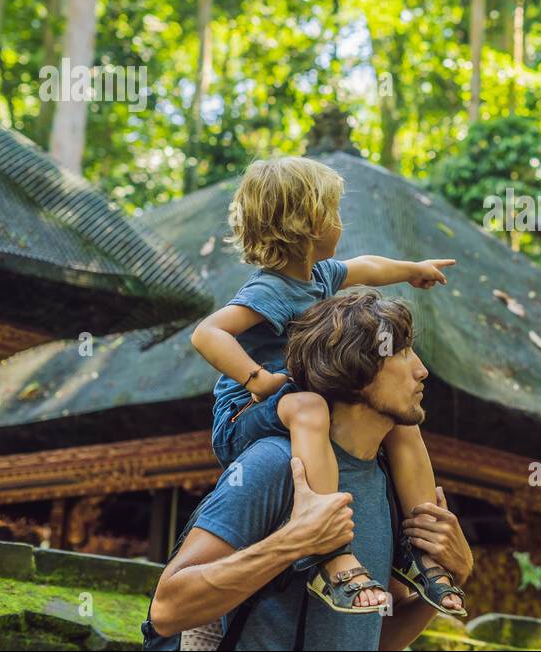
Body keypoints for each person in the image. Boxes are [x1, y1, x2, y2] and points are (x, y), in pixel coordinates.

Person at [190, 156, 463, 615]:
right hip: (245, 413)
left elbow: (368, 266)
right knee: (310, 407)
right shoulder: (270, 290)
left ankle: (421, 546)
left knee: (401, 425)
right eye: (334, 212)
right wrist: (256, 378)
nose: (340, 222)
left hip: (294, 398)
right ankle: (329, 548)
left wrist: (411, 269)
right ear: (310, 223)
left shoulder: (320, 275)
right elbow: (207, 332)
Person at [150, 291, 472, 650]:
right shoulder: (277, 465)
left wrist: (453, 574)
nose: (422, 370)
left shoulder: (389, 484)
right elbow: (167, 610)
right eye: (401, 351)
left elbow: (374, 639)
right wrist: (292, 543)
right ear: (355, 368)